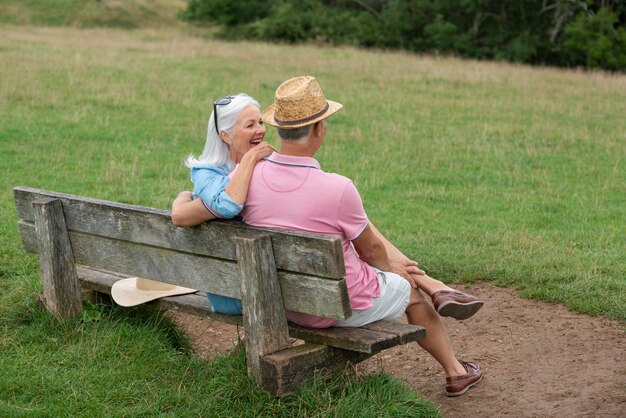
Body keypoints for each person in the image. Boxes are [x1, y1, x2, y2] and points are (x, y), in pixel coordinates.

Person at [234, 75, 483, 397]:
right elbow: (374, 253)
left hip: (275, 300)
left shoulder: (245, 177)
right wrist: (398, 272)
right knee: (409, 292)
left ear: (279, 128)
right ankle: (456, 370)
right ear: (320, 128)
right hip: (331, 307)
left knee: (389, 269)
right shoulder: (337, 188)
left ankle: (439, 289)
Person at [171, 93, 275, 314]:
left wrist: (183, 198)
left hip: (264, 280)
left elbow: (182, 215)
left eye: (261, 122)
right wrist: (249, 159)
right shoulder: (207, 173)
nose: (261, 130)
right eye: (250, 125)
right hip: (231, 291)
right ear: (225, 135)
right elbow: (227, 206)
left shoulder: (263, 165)